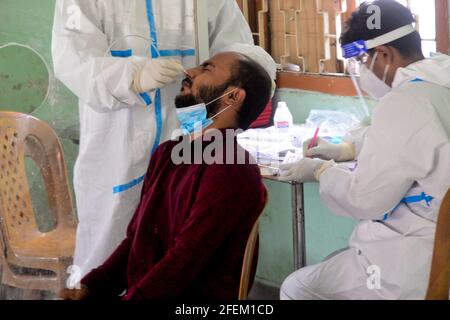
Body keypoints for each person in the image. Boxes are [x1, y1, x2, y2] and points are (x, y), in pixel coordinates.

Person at [52, 0, 275, 278]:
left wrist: (248, 83)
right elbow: (74, 60)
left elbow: (242, 62)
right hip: (117, 151)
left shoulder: (230, 171)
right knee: (108, 254)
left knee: (183, 256)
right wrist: (131, 77)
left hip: (193, 148)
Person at [279, 0, 450, 299]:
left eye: (361, 61)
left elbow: (366, 199)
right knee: (335, 262)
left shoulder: (404, 101)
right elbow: (417, 139)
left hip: (411, 262)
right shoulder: (439, 79)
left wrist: (322, 172)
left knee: (297, 288)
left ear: (383, 54)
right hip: (435, 244)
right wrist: (347, 149)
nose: (360, 72)